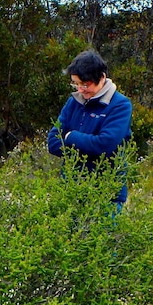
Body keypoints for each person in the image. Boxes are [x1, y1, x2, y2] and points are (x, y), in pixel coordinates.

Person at [47, 49, 133, 208]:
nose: (80, 89)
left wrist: (70, 137)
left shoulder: (120, 105)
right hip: (70, 190)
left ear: (102, 77)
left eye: (85, 84)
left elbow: (105, 146)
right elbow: (53, 143)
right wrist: (88, 145)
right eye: (76, 83)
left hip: (106, 195)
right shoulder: (73, 102)